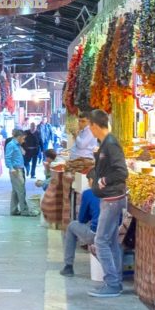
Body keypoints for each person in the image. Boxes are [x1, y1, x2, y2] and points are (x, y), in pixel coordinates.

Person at [86, 108, 128, 298]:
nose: (89, 129)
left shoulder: (111, 144)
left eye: (89, 126)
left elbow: (121, 172)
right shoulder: (104, 143)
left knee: (101, 241)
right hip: (109, 198)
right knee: (110, 241)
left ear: (94, 125)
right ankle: (115, 282)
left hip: (112, 199)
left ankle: (112, 283)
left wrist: (104, 181)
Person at [60, 188, 100, 277]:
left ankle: (68, 266)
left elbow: (81, 219)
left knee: (71, 226)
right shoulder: (117, 191)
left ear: (91, 180)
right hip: (116, 234)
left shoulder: (89, 193)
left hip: (95, 235)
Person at [5, 129, 36, 216]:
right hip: (16, 170)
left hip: (20, 169)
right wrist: (11, 168)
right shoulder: (11, 145)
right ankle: (25, 211)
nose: (24, 140)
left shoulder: (18, 145)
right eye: (23, 138)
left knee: (16, 191)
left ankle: (13, 210)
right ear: (18, 137)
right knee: (21, 191)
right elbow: (7, 158)